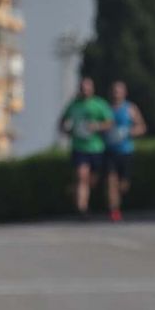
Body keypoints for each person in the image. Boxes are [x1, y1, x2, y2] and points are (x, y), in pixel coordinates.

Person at [59, 76, 114, 219]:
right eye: (82, 87)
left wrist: (97, 126)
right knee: (81, 176)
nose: (85, 90)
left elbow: (109, 123)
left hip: (96, 147)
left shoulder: (99, 104)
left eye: (87, 87)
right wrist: (68, 131)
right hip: (79, 147)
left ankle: (80, 193)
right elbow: (63, 121)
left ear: (92, 89)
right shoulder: (74, 105)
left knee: (92, 180)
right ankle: (82, 209)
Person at [105, 80, 148, 222]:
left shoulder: (130, 108)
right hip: (110, 151)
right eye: (114, 91)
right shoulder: (106, 109)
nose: (116, 93)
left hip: (126, 151)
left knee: (123, 185)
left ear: (124, 93)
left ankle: (118, 201)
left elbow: (142, 127)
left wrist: (128, 132)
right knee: (111, 181)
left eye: (119, 91)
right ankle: (114, 211)